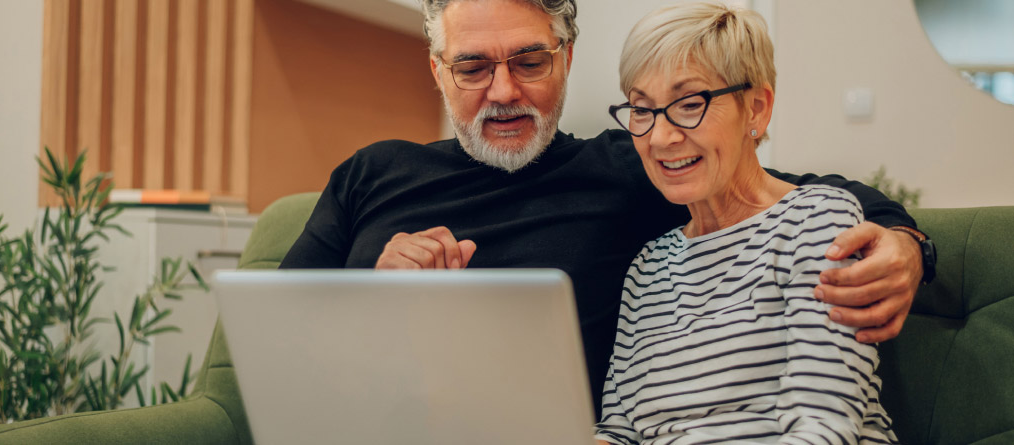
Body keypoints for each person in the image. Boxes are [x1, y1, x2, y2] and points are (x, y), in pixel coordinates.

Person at [279, 0, 931, 415]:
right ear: (437, 70)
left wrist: (906, 242)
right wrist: (366, 297)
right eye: (473, 66)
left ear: (566, 59)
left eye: (530, 60)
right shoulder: (370, 173)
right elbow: (278, 340)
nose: (503, 90)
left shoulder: (638, 163)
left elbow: (787, 192)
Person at [594, 3, 898, 443]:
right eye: (642, 109)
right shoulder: (648, 267)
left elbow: (825, 429)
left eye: (689, 103)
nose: (661, 137)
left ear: (756, 109)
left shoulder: (815, 222)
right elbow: (620, 431)